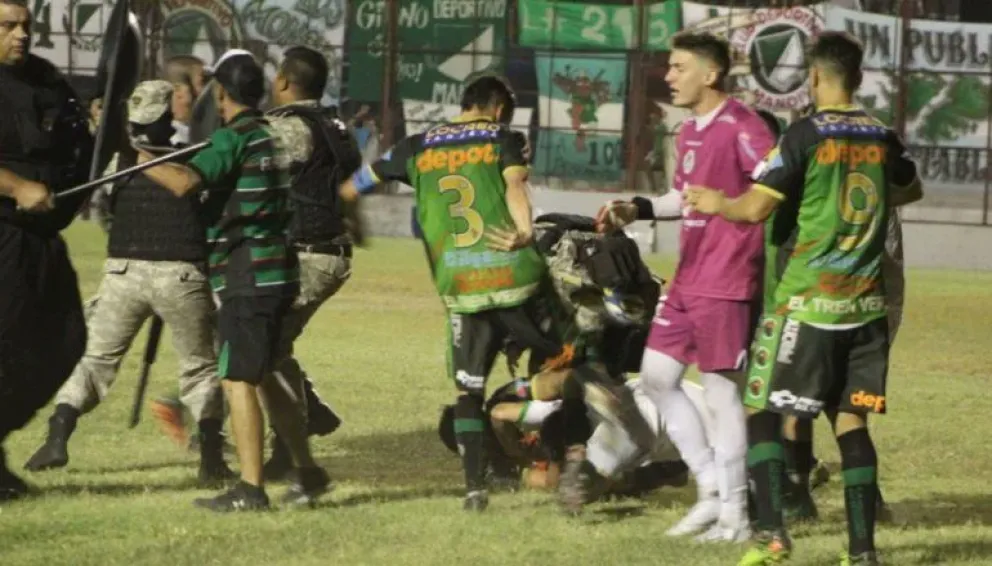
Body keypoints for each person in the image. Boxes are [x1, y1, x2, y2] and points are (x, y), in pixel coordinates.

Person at [338, 75, 655, 512]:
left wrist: (355, 224)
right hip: (515, 278)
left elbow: (352, 187)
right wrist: (524, 229)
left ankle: (474, 491)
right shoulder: (503, 138)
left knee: (468, 390)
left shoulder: (415, 146)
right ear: (501, 109)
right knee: (578, 356)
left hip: (461, 287)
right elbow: (514, 187)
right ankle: (582, 442)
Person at [684, 31, 923, 566]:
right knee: (850, 422)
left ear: (814, 77)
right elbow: (911, 188)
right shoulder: (884, 137)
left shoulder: (804, 134)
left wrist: (715, 199)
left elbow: (753, 210)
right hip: (865, 308)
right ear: (856, 76)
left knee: (761, 409)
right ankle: (862, 554)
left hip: (806, 303)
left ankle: (772, 537)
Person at [589, 31, 776, 541]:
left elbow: (775, 188)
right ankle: (712, 489)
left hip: (728, 280)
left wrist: (730, 205)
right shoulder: (690, 130)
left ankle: (736, 516)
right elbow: (681, 198)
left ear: (710, 74)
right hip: (689, 277)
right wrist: (638, 207)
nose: (668, 77)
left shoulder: (745, 127)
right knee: (656, 378)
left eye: (678, 67)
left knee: (721, 397)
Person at [136, 50, 324, 511]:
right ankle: (306, 470)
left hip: (248, 274)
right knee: (267, 375)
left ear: (221, 93)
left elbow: (184, 183)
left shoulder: (233, 137)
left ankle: (251, 490)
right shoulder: (272, 134)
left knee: (238, 379)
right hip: (279, 271)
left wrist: (139, 158)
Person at [23, 80, 234, 485]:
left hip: (123, 273)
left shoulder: (115, 162)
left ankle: (56, 437)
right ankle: (210, 458)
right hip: (181, 275)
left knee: (95, 360)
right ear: (168, 116)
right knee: (200, 369)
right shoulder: (196, 160)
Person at [257, 45, 362, 479]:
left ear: (283, 81)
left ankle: (292, 441)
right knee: (271, 344)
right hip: (329, 251)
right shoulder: (336, 127)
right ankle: (308, 413)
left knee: (256, 347)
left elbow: (248, 172)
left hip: (306, 254)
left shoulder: (287, 129)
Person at [0, 0, 90, 499]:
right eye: (8, 26)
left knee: (66, 343)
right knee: (6, 344)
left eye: (26, 26)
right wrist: (15, 187)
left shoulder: (46, 79)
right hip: (3, 231)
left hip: (43, 237)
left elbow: (78, 139)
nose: (20, 35)